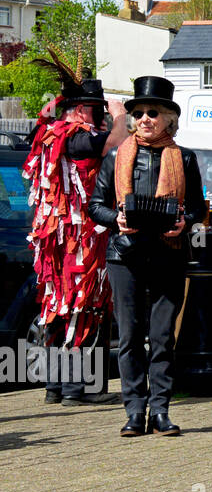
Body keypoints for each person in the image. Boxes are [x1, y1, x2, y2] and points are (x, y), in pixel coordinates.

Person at [89, 76, 206, 436]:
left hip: (169, 254)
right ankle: (134, 411)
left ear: (169, 118)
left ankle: (160, 411)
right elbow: (95, 206)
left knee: (161, 337)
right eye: (138, 113)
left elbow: (198, 206)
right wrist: (117, 219)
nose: (145, 119)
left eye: (153, 112)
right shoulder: (116, 156)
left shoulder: (184, 157)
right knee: (129, 335)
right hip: (125, 255)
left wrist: (183, 223)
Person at [22, 52, 125, 406]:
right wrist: (121, 114)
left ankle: (57, 387)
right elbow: (112, 143)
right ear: (81, 109)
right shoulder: (77, 137)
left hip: (60, 238)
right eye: (95, 109)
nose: (100, 115)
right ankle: (78, 388)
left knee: (60, 304)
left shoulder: (49, 134)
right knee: (86, 303)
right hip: (79, 238)